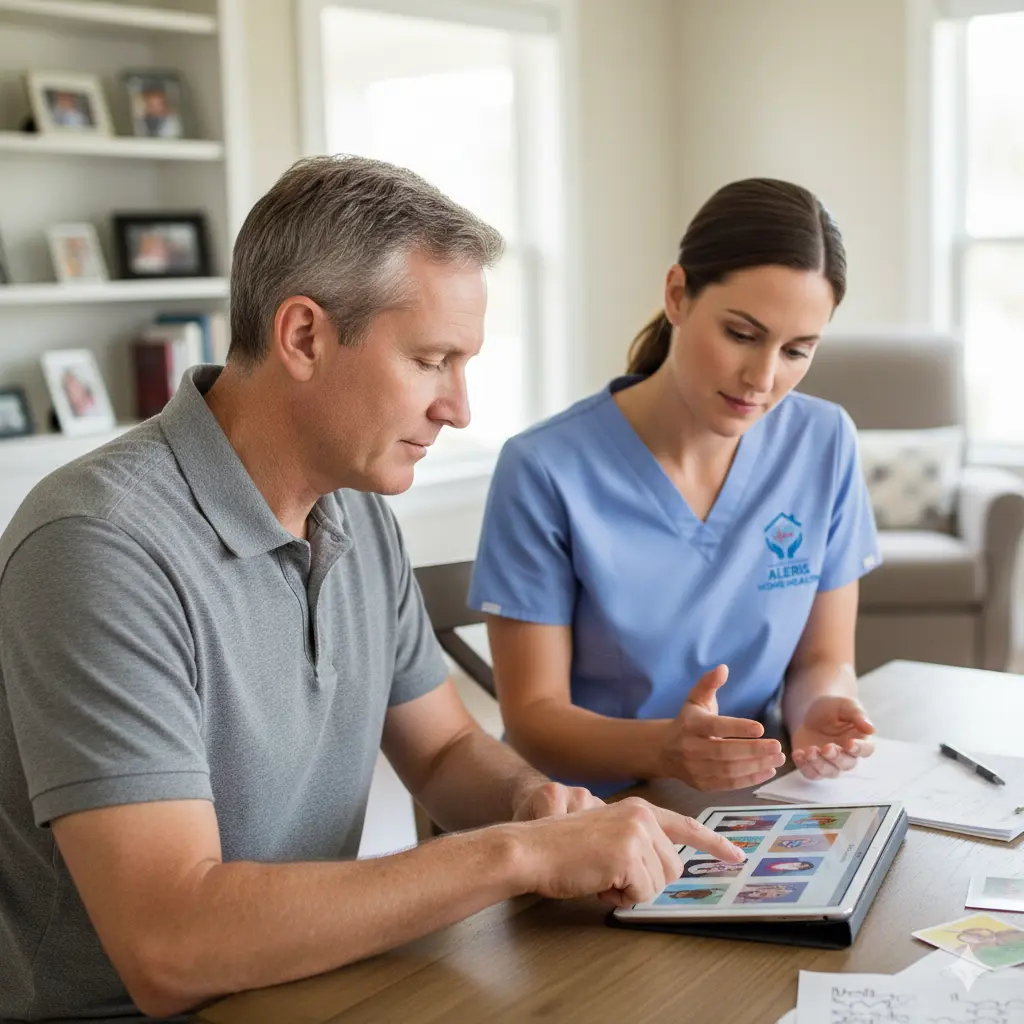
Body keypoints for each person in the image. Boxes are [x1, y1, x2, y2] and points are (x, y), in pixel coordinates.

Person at [0, 155, 744, 1023]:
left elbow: (439, 752)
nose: (458, 407)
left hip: (317, 985)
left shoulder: (353, 510)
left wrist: (527, 803)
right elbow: (171, 945)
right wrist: (518, 855)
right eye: (433, 360)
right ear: (305, 336)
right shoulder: (99, 546)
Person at [469, 178, 881, 797]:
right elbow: (533, 720)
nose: (763, 378)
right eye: (741, 334)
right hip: (585, 816)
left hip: (747, 801)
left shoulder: (824, 442)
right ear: (677, 294)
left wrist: (818, 708)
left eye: (797, 350)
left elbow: (821, 659)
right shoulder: (544, 468)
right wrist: (669, 750)